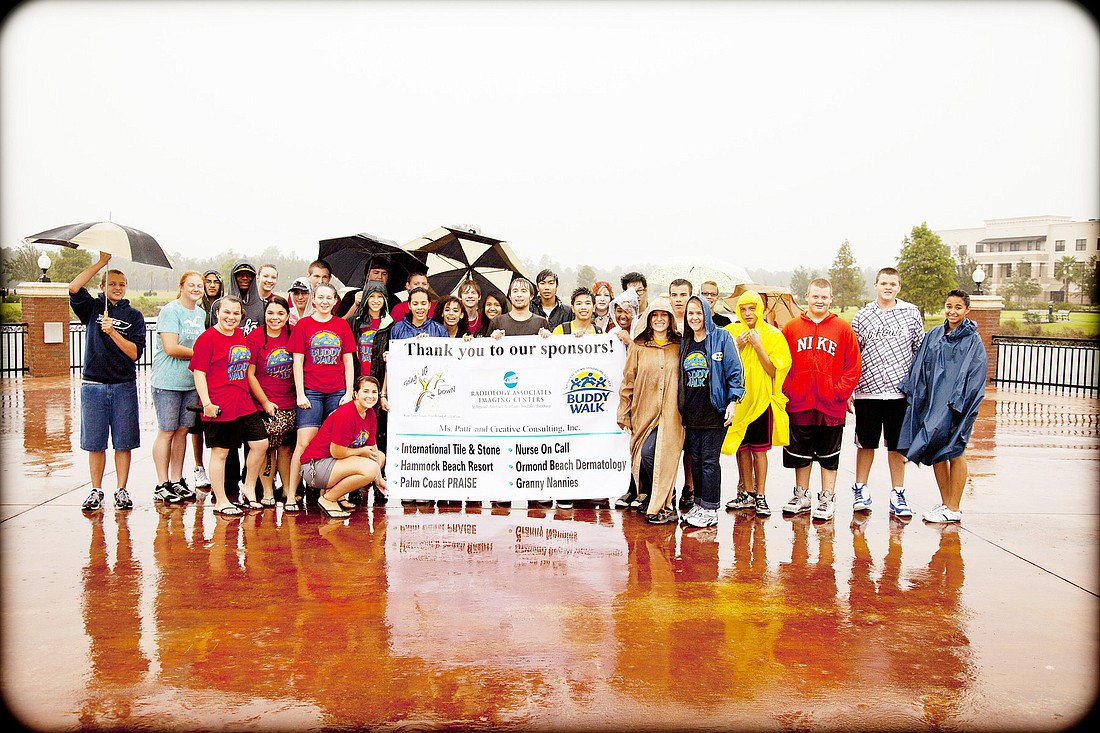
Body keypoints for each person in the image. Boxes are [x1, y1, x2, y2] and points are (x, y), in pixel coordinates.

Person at [897, 290, 987, 524]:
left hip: (956, 404)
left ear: (967, 310)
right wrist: (914, 391)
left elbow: (975, 375)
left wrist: (961, 403)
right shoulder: (935, 334)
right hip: (933, 403)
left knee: (955, 450)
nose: (953, 311)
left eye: (958, 307)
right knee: (936, 450)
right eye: (949, 306)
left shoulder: (972, 340)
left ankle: (954, 507)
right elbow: (920, 366)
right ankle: (946, 503)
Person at [779, 278, 862, 522]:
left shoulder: (842, 329)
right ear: (807, 296)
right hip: (800, 401)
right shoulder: (792, 328)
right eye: (816, 296)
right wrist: (789, 390)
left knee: (829, 454)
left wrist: (839, 392)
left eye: (824, 297)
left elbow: (853, 366)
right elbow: (781, 364)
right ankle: (802, 495)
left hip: (830, 404)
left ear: (831, 299)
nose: (820, 301)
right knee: (800, 452)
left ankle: (827, 497)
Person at [69, 252, 146, 511]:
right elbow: (74, 287)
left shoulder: (134, 316)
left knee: (123, 442)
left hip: (124, 385)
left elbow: (135, 353)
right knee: (95, 442)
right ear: (102, 287)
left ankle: (121, 490)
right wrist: (101, 263)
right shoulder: (91, 308)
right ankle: (96, 489)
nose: (117, 288)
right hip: (94, 386)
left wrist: (112, 331)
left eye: (121, 284)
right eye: (112, 284)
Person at [849, 267, 925, 518]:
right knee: (865, 443)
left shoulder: (911, 313)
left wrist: (917, 388)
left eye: (893, 283)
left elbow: (919, 351)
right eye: (884, 283)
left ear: (899, 287)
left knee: (897, 446)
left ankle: (898, 493)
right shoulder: (863, 316)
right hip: (867, 391)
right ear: (876, 285)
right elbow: (853, 354)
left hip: (899, 392)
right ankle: (860, 489)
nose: (888, 287)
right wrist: (850, 389)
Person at [189, 295, 270, 516]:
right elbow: (199, 374)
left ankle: (249, 486)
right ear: (217, 313)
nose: (231, 317)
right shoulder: (207, 339)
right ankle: (221, 500)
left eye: (236, 313)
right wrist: (206, 402)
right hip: (218, 404)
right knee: (221, 453)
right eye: (227, 312)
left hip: (243, 402)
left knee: (260, 443)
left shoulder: (239, 335)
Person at [721, 289, 793, 517]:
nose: (748, 313)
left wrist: (759, 346)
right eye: (743, 309)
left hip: (762, 403)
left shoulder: (773, 335)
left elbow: (774, 370)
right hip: (738, 402)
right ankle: (747, 494)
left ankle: (761, 495)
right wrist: (738, 345)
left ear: (760, 310)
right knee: (741, 449)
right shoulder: (731, 332)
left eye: (752, 308)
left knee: (759, 451)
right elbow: (720, 363)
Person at [286, 281, 356, 512]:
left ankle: (333, 493)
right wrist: (300, 393)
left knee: (336, 444)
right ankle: (291, 494)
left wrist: (348, 393)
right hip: (311, 392)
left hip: (336, 391)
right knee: (304, 443)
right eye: (321, 297)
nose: (325, 302)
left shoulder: (341, 326)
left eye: (330, 298)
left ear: (335, 301)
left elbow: (348, 361)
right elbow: (297, 362)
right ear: (313, 300)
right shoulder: (304, 325)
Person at [677, 294, 744, 528]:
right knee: (696, 460)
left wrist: (733, 401)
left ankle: (711, 508)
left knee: (709, 461)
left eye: (699, 312)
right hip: (692, 413)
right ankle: (699, 503)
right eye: (690, 313)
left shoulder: (721, 337)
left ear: (707, 313)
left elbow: (735, 371)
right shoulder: (686, 341)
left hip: (715, 411)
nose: (695, 317)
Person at [616, 297, 684, 525]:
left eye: (664, 315)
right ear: (648, 319)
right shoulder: (638, 345)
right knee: (643, 455)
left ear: (671, 319)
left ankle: (667, 502)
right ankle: (655, 496)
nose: (659, 320)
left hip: (672, 414)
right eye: (655, 315)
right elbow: (629, 379)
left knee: (659, 455)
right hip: (644, 412)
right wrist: (623, 411)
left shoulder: (680, 345)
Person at [150, 270, 206, 504]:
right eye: (191, 285)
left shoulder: (201, 313)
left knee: (182, 430)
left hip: (190, 382)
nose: (196, 289)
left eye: (199, 286)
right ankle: (162, 483)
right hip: (167, 382)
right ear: (181, 286)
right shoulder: (170, 311)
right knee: (167, 431)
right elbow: (171, 347)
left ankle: (176, 479)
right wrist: (202, 355)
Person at [298, 375, 387, 518]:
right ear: (355, 394)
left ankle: (336, 494)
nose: (370, 396)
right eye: (365, 391)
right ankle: (328, 499)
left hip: (333, 464)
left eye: (374, 392)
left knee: (379, 458)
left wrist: (379, 479)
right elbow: (336, 452)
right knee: (370, 469)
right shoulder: (346, 414)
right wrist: (362, 452)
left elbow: (372, 447)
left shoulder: (369, 413)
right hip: (315, 466)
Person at [247, 296, 297, 507]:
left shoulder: (294, 333)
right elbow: (250, 374)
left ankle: (286, 488)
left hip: (290, 401)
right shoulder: (255, 338)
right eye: (270, 313)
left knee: (286, 448)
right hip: (263, 403)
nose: (274, 318)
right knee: (267, 448)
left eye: (280, 314)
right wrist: (265, 402)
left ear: (287, 316)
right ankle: (267, 490)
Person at [190, 268, 224, 490]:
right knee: (196, 425)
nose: (211, 285)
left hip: (219, 372)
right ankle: (198, 467)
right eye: (207, 282)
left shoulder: (224, 307)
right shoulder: (197, 309)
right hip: (199, 368)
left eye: (215, 282)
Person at [667, 277, 694, 508]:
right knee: (669, 445)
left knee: (692, 448)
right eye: (674, 295)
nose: (678, 300)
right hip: (669, 392)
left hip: (693, 392)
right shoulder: (665, 322)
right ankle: (668, 489)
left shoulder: (697, 322)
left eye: (683, 295)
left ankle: (690, 487)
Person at [346, 279, 393, 378]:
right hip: (357, 377)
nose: (376, 301)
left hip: (379, 380)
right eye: (371, 296)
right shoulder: (354, 321)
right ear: (365, 298)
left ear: (385, 299)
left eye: (380, 296)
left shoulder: (390, 324)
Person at [214, 259, 264, 336]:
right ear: (234, 277)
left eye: (248, 275)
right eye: (240, 275)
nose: (245, 278)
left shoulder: (263, 306)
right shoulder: (219, 305)